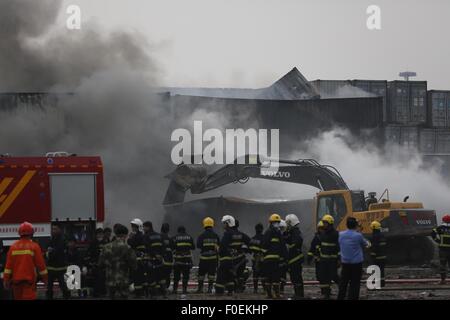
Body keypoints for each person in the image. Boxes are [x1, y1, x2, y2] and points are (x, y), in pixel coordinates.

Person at [3, 222, 48, 300]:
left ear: (20, 233)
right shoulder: (34, 246)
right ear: (31, 233)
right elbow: (41, 266)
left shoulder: (13, 247)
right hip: (29, 283)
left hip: (16, 283)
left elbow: (8, 267)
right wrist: (45, 279)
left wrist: (6, 279)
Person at [99, 224, 137, 299]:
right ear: (125, 235)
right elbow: (134, 265)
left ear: (116, 234)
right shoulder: (128, 248)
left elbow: (100, 264)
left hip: (110, 281)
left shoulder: (106, 247)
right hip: (123, 281)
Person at [337, 217, 370, 300]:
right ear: (355, 225)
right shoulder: (358, 236)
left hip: (345, 264)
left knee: (343, 283)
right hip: (356, 264)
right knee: (355, 284)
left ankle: (340, 297)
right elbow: (367, 244)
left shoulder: (340, 235)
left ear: (346, 225)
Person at [261, 213, 288, 299]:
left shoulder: (268, 232)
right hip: (276, 260)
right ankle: (277, 294)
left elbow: (264, 245)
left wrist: (263, 255)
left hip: (268, 260)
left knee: (268, 277)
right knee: (276, 278)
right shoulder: (279, 234)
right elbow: (283, 247)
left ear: (270, 223)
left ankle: (269, 294)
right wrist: (284, 258)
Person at [318, 214, 340, 299]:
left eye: (325, 223)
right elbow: (321, 246)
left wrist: (338, 259)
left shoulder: (335, 234)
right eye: (323, 223)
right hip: (323, 261)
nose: (323, 225)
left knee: (334, 276)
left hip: (332, 261)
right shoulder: (323, 233)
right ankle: (326, 294)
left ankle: (344, 289)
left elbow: (338, 248)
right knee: (324, 277)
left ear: (330, 223)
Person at [46, 223, 70, 299]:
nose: (53, 230)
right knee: (49, 286)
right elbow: (49, 250)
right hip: (51, 267)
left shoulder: (63, 239)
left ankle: (66, 296)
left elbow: (57, 251)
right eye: (52, 229)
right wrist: (50, 252)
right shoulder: (52, 239)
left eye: (55, 229)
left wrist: (51, 251)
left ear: (60, 229)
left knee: (63, 285)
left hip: (60, 267)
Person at [196, 217, 220, 294]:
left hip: (203, 258)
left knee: (201, 274)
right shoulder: (216, 235)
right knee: (211, 274)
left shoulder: (201, 236)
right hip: (213, 259)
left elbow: (198, 246)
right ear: (212, 225)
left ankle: (200, 289)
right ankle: (210, 289)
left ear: (204, 225)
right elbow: (219, 246)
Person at [143, 221, 166, 298]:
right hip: (159, 260)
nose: (143, 229)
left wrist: (155, 255)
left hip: (151, 260)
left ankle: (154, 295)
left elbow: (148, 248)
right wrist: (160, 256)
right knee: (161, 278)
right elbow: (163, 247)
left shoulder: (146, 236)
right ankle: (164, 294)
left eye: (144, 227)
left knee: (151, 277)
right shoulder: (159, 235)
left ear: (148, 227)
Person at [215, 215, 237, 296]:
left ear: (228, 223)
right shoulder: (233, 233)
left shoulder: (227, 234)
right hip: (231, 259)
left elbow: (223, 247)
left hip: (225, 259)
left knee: (220, 275)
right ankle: (230, 291)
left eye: (224, 223)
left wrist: (217, 248)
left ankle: (219, 291)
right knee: (229, 275)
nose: (223, 225)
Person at [285, 214, 305, 299]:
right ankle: (298, 294)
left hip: (295, 259)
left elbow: (295, 243)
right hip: (295, 258)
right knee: (296, 278)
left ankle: (299, 295)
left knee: (296, 277)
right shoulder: (295, 232)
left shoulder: (295, 232)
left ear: (290, 223)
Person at [172, 226, 195, 294]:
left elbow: (172, 247)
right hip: (186, 260)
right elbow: (193, 247)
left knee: (176, 276)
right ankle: (184, 290)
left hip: (177, 260)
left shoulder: (174, 237)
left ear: (178, 231)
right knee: (185, 276)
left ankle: (174, 290)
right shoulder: (189, 237)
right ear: (185, 231)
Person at [127, 218, 147, 297]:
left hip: (138, 260)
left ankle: (138, 294)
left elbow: (131, 243)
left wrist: (130, 238)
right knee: (142, 277)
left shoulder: (137, 236)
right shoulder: (142, 235)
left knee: (137, 277)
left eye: (134, 226)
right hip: (141, 259)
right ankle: (143, 292)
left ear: (138, 227)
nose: (132, 228)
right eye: (132, 226)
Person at [85, 227, 106, 297]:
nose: (100, 235)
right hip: (95, 264)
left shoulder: (106, 243)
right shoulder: (93, 243)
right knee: (98, 278)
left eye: (101, 234)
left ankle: (103, 292)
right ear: (96, 235)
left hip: (104, 265)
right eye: (98, 234)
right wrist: (90, 264)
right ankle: (96, 293)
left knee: (103, 278)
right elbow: (88, 254)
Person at [230, 219, 250, 293]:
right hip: (241, 259)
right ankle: (240, 287)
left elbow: (223, 246)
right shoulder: (242, 235)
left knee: (232, 274)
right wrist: (245, 249)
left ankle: (234, 287)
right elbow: (250, 243)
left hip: (232, 259)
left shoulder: (228, 235)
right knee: (240, 274)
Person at [432, 214, 450, 284]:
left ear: (443, 220)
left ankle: (443, 280)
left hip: (443, 250)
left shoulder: (440, 228)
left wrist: (437, 240)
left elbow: (433, 233)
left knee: (443, 265)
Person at [307, 221, 325, 294]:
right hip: (318, 261)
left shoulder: (328, 237)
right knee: (319, 276)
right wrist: (309, 258)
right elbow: (312, 249)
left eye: (323, 228)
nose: (322, 230)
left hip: (326, 261)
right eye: (320, 228)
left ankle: (326, 291)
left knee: (327, 276)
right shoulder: (316, 238)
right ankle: (323, 290)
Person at [369, 220, 387, 287]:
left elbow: (374, 247)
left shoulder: (374, 236)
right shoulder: (382, 235)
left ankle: (375, 283)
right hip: (383, 256)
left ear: (373, 228)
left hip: (377, 257)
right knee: (381, 270)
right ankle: (382, 283)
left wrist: (372, 255)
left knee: (375, 270)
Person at [249, 223, 265, 294]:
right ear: (262, 229)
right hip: (262, 259)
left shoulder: (252, 239)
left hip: (254, 258)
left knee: (255, 275)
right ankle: (265, 289)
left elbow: (250, 250)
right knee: (263, 275)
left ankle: (255, 290)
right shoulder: (264, 238)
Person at [160, 223, 173, 290]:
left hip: (161, 260)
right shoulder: (170, 238)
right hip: (169, 260)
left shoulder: (159, 236)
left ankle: (162, 289)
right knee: (167, 275)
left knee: (161, 275)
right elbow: (173, 248)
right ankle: (166, 288)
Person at [278, 220, 288, 295]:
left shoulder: (287, 236)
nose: (281, 230)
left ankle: (281, 288)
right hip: (276, 260)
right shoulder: (274, 236)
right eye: (280, 228)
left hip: (284, 259)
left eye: (282, 228)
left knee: (283, 276)